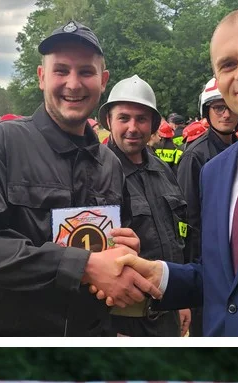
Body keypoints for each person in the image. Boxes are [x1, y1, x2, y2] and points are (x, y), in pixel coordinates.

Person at [0, 21, 159, 336]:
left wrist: (124, 252)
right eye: (61, 70)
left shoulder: (110, 164)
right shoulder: (3, 143)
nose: (73, 84)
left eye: (86, 72)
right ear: (42, 77)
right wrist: (82, 266)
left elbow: (109, 256)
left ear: (103, 81)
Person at [110, 9, 238, 336]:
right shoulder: (214, 172)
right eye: (228, 64)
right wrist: (161, 276)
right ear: (218, 82)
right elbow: (223, 282)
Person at [98, 75, 189, 337]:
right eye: (123, 118)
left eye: (141, 119)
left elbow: (178, 238)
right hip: (122, 322)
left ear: (153, 125)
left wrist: (182, 299)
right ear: (108, 121)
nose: (133, 127)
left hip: (167, 314)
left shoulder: (162, 170)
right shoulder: (96, 175)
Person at [176, 77, 238, 333]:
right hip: (206, 262)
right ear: (207, 112)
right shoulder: (195, 155)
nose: (226, 114)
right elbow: (187, 220)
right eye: (218, 108)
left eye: (230, 107)